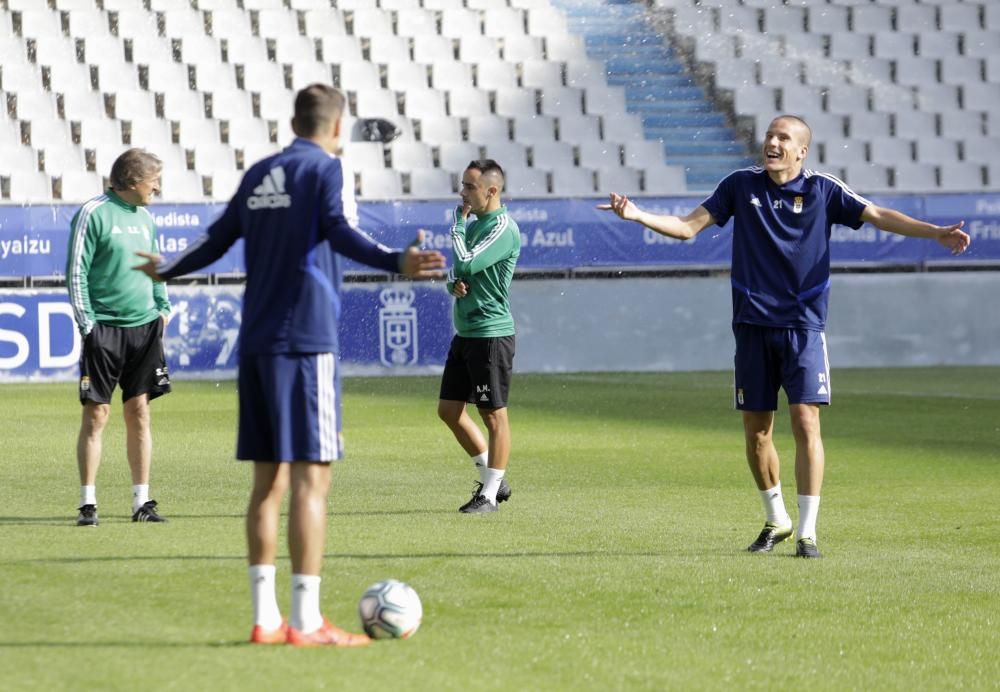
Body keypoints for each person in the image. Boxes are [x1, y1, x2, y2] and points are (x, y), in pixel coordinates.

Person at [133, 84, 445, 646]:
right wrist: (395, 260)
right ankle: (304, 622)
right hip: (306, 343)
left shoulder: (259, 174)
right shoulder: (325, 170)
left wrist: (168, 270)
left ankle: (265, 619)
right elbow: (338, 230)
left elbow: (216, 239)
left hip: (257, 343)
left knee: (266, 484)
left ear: (295, 120)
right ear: (336, 126)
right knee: (311, 481)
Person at [599, 115, 970, 558]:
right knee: (757, 434)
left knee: (805, 421)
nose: (772, 142)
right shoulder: (740, 185)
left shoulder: (824, 190)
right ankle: (777, 519)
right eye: (770, 135)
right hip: (752, 326)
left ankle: (809, 532)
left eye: (783, 138)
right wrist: (635, 213)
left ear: (801, 151)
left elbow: (878, 215)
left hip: (803, 326)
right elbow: (686, 227)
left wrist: (934, 233)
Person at [66, 147, 172, 527]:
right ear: (132, 181)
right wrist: (88, 324)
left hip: (144, 329)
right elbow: (75, 271)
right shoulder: (93, 213)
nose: (157, 188)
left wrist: (163, 307)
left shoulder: (146, 219)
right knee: (97, 414)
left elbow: (154, 266)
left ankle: (141, 502)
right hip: (104, 329)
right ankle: (87, 503)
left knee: (139, 413)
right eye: (154, 181)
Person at [438, 160, 521, 514]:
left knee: (493, 415)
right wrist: (451, 284)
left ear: (492, 191)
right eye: (462, 186)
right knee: (449, 411)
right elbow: (459, 270)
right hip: (467, 332)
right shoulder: (475, 226)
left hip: (491, 334)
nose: (463, 194)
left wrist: (456, 226)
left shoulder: (502, 227)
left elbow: (468, 262)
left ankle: (488, 496)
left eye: (470, 187)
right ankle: (493, 477)